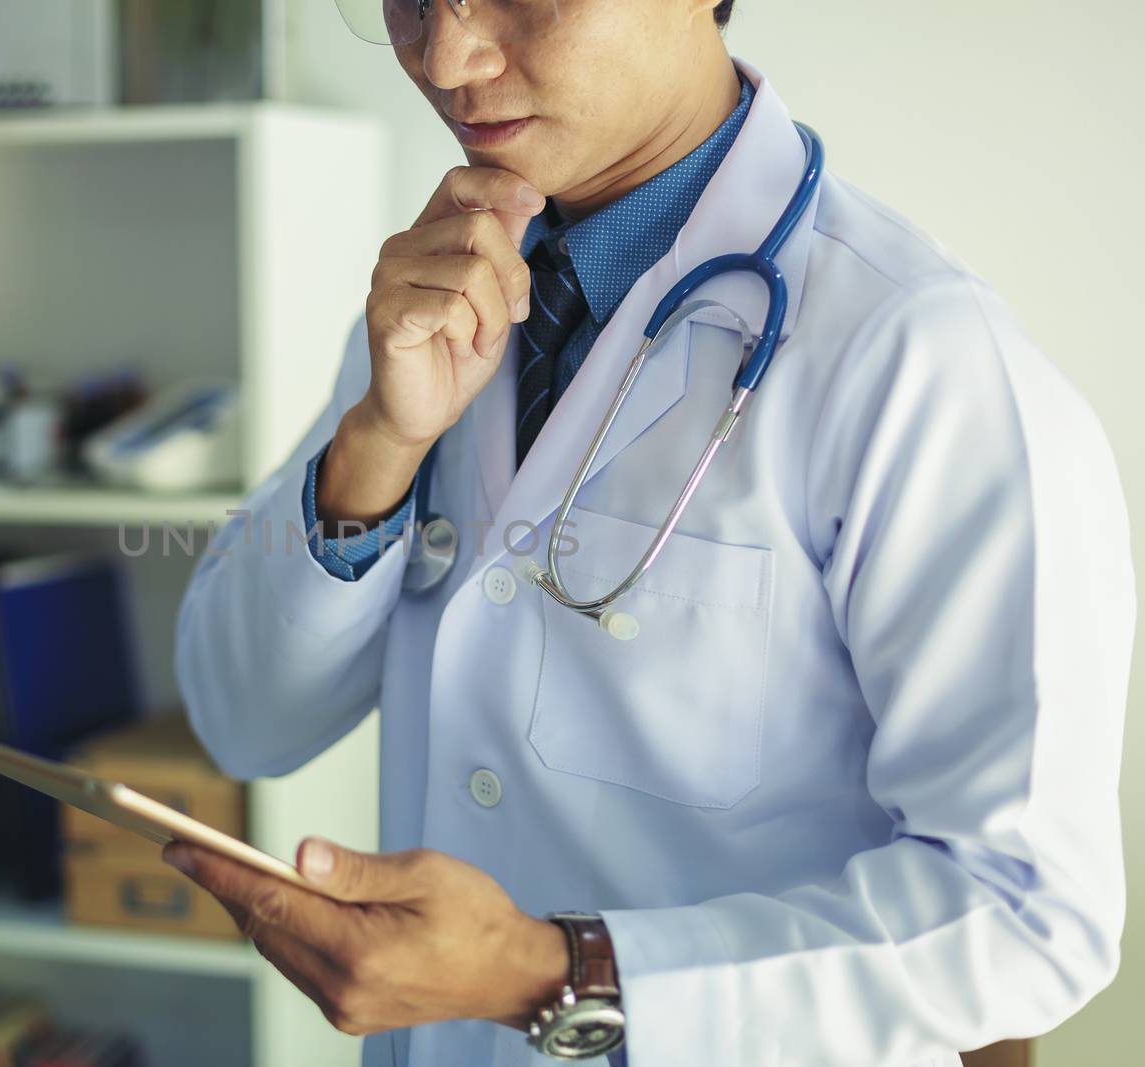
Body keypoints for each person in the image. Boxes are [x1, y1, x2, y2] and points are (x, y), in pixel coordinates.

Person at [168, 0, 1134, 1064]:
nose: (447, 57)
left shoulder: (924, 360)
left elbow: (1024, 914)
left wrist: (550, 975)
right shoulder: (440, 291)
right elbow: (241, 720)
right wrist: (378, 445)